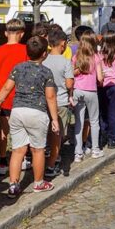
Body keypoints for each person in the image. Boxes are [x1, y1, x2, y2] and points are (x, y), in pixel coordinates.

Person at [0, 37, 59, 197]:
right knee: (38, 150)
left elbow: (7, 88)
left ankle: (13, 184)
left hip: (17, 111)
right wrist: (55, 119)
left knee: (17, 151)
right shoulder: (46, 72)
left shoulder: (18, 68)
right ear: (44, 54)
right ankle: (38, 183)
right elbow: (50, 97)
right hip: (37, 112)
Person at [0, 19, 28, 176]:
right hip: (21, 97)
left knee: (4, 131)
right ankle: (21, 159)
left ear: (6, 33)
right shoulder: (25, 50)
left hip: (3, 97)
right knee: (22, 131)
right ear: (22, 34)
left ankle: (3, 161)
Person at [43, 26, 74, 178]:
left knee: (46, 133)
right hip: (60, 101)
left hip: (44, 102)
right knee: (57, 136)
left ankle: (46, 158)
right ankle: (51, 165)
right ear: (62, 44)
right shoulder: (66, 62)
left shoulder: (43, 60)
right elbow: (69, 84)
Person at [71, 30, 103, 162]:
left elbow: (71, 74)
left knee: (79, 122)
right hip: (91, 91)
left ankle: (78, 153)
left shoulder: (76, 57)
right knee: (94, 121)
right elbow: (100, 78)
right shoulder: (96, 57)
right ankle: (95, 150)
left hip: (78, 90)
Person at [97, 32, 115, 149]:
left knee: (102, 112)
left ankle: (102, 137)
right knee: (114, 112)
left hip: (101, 85)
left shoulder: (99, 54)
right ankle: (112, 139)